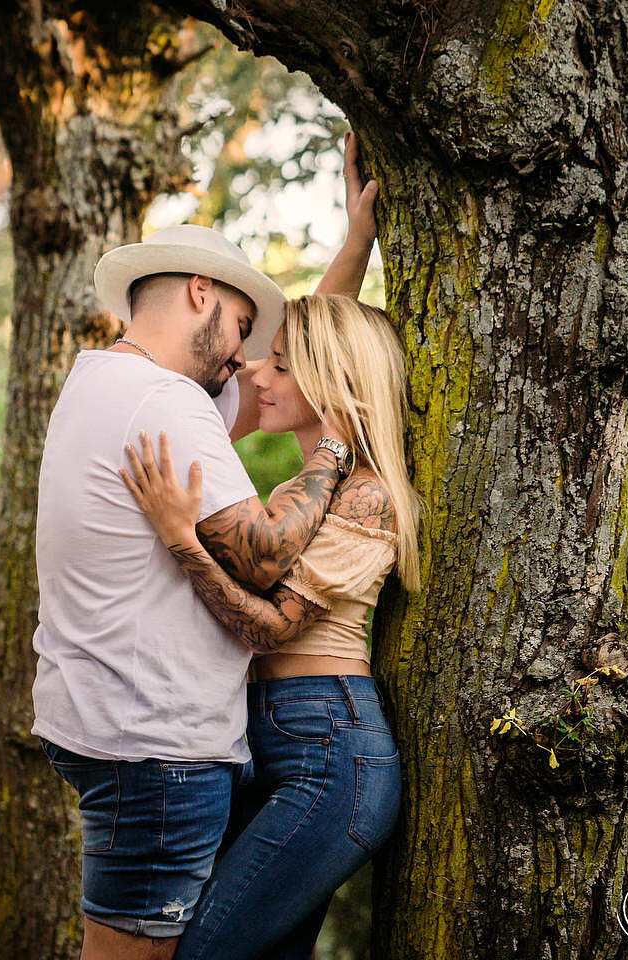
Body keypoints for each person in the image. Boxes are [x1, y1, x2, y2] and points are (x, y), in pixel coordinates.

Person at [31, 135, 378, 960]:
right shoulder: (166, 403)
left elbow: (295, 373)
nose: (245, 358)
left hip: (115, 732)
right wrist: (334, 448)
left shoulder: (107, 383)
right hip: (156, 750)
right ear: (200, 293)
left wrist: (354, 245)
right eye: (240, 329)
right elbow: (263, 557)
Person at [119, 292, 421, 960]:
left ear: (332, 382)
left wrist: (180, 539)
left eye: (281, 367)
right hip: (272, 743)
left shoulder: (370, 496)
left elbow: (271, 628)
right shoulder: (294, 497)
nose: (258, 375)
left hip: (331, 753)